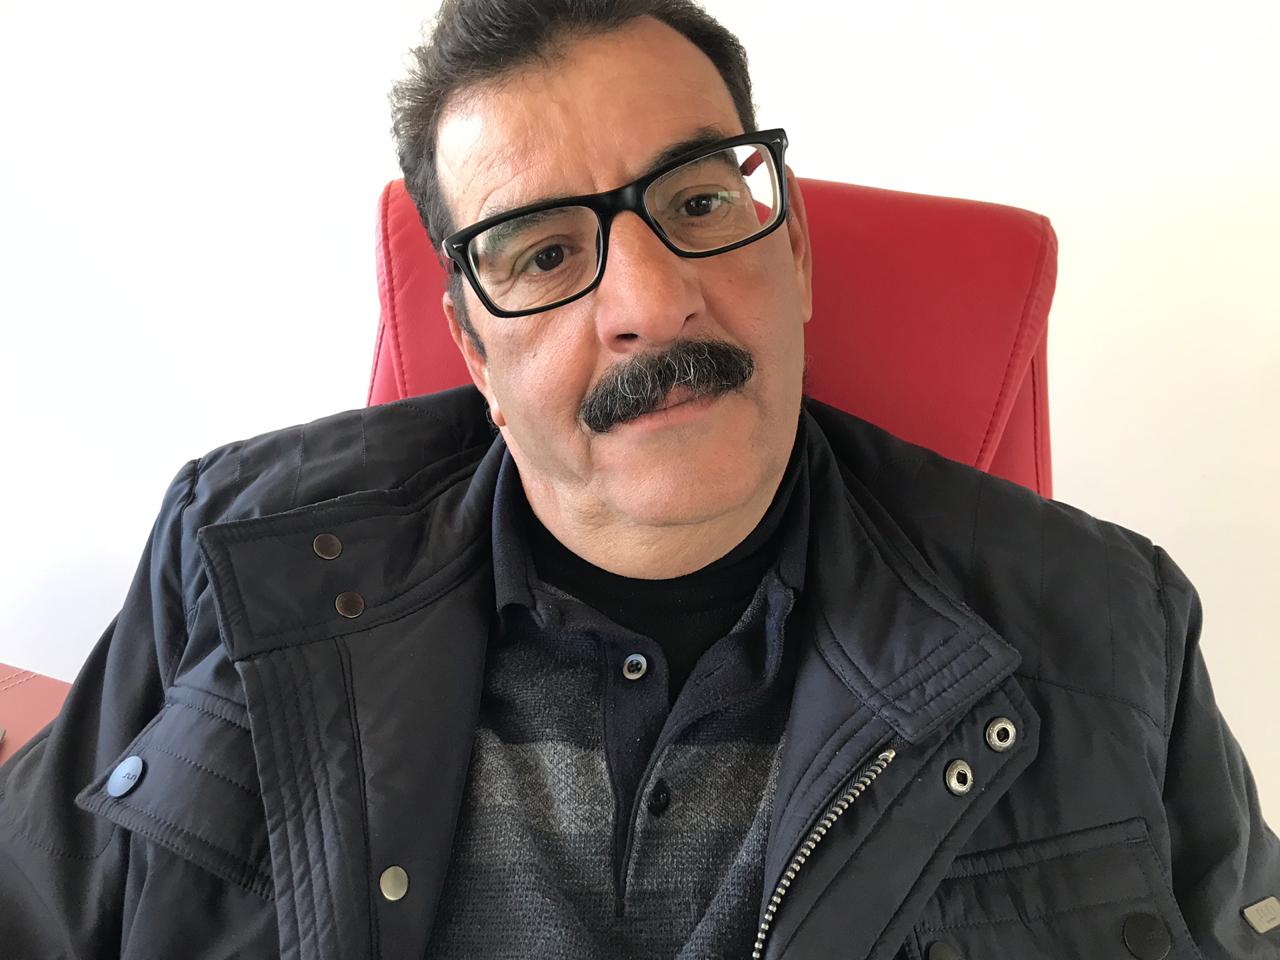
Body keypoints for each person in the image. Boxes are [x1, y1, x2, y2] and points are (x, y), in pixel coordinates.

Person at [2, 0, 1277, 957]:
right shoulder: (235, 550)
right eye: (546, 252)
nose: (652, 304)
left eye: (700, 204)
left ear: (794, 252)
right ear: (473, 349)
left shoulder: (1109, 628)